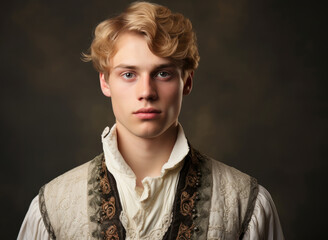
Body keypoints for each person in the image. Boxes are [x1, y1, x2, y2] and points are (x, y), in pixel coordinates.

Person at [18, 2, 284, 239]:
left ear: (187, 81)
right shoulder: (52, 208)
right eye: (129, 74)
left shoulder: (245, 204)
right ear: (105, 81)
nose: (146, 92)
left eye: (163, 73)